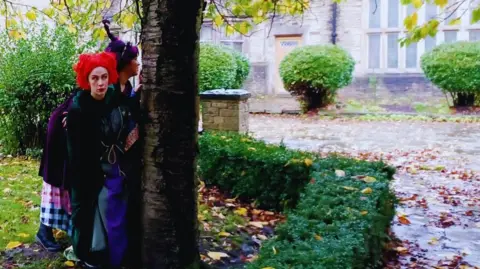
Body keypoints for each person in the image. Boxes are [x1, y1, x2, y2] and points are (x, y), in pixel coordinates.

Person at [66, 51, 136, 269]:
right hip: (84, 173)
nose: (100, 83)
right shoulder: (78, 108)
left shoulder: (112, 98)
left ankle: (111, 256)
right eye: (95, 78)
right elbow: (77, 154)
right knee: (85, 218)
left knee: (112, 216)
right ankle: (87, 256)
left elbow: (129, 107)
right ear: (87, 80)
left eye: (104, 77)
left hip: (110, 169)